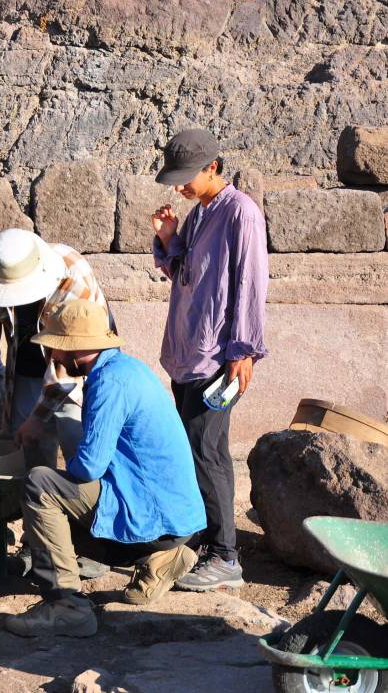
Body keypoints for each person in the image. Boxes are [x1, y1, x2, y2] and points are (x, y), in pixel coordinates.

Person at [3, 300, 206, 638]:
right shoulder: (127, 368)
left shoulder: (108, 383)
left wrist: (62, 477)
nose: (53, 357)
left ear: (76, 347)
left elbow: (88, 467)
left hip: (155, 519)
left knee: (40, 485)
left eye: (56, 347)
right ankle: (161, 561)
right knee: (59, 502)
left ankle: (67, 606)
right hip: (178, 523)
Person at [151, 128, 268, 592]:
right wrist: (169, 236)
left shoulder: (241, 213)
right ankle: (200, 542)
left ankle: (226, 556)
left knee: (209, 451)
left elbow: (252, 283)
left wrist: (244, 349)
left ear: (213, 167)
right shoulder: (200, 214)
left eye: (186, 177)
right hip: (186, 351)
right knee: (191, 450)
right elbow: (184, 273)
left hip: (217, 356)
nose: (179, 187)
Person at [0, 228, 111, 466]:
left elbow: (69, 362)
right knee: (28, 448)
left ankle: (83, 498)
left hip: (79, 370)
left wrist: (38, 418)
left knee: (78, 436)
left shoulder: (71, 278)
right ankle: (33, 498)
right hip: (26, 363)